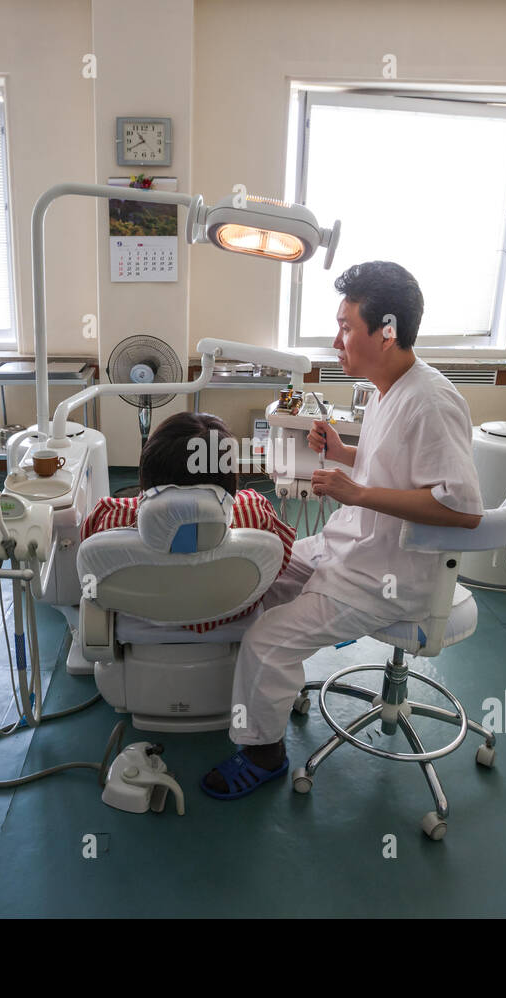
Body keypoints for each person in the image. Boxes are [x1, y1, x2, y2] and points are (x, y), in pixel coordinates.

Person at [202, 261, 484, 799]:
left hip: (388, 576)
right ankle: (251, 696)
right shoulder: (385, 389)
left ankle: (263, 755)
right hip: (351, 546)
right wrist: (343, 453)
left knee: (267, 639)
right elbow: (392, 466)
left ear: (388, 331)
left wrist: (355, 492)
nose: (337, 341)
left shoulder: (432, 401)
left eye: (347, 327)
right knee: (258, 575)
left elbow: (462, 510)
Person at [81, 411, 295, 633]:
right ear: (229, 474)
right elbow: (279, 564)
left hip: (140, 619)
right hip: (230, 617)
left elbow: (89, 572)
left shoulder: (109, 517)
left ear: (148, 469)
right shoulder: (255, 512)